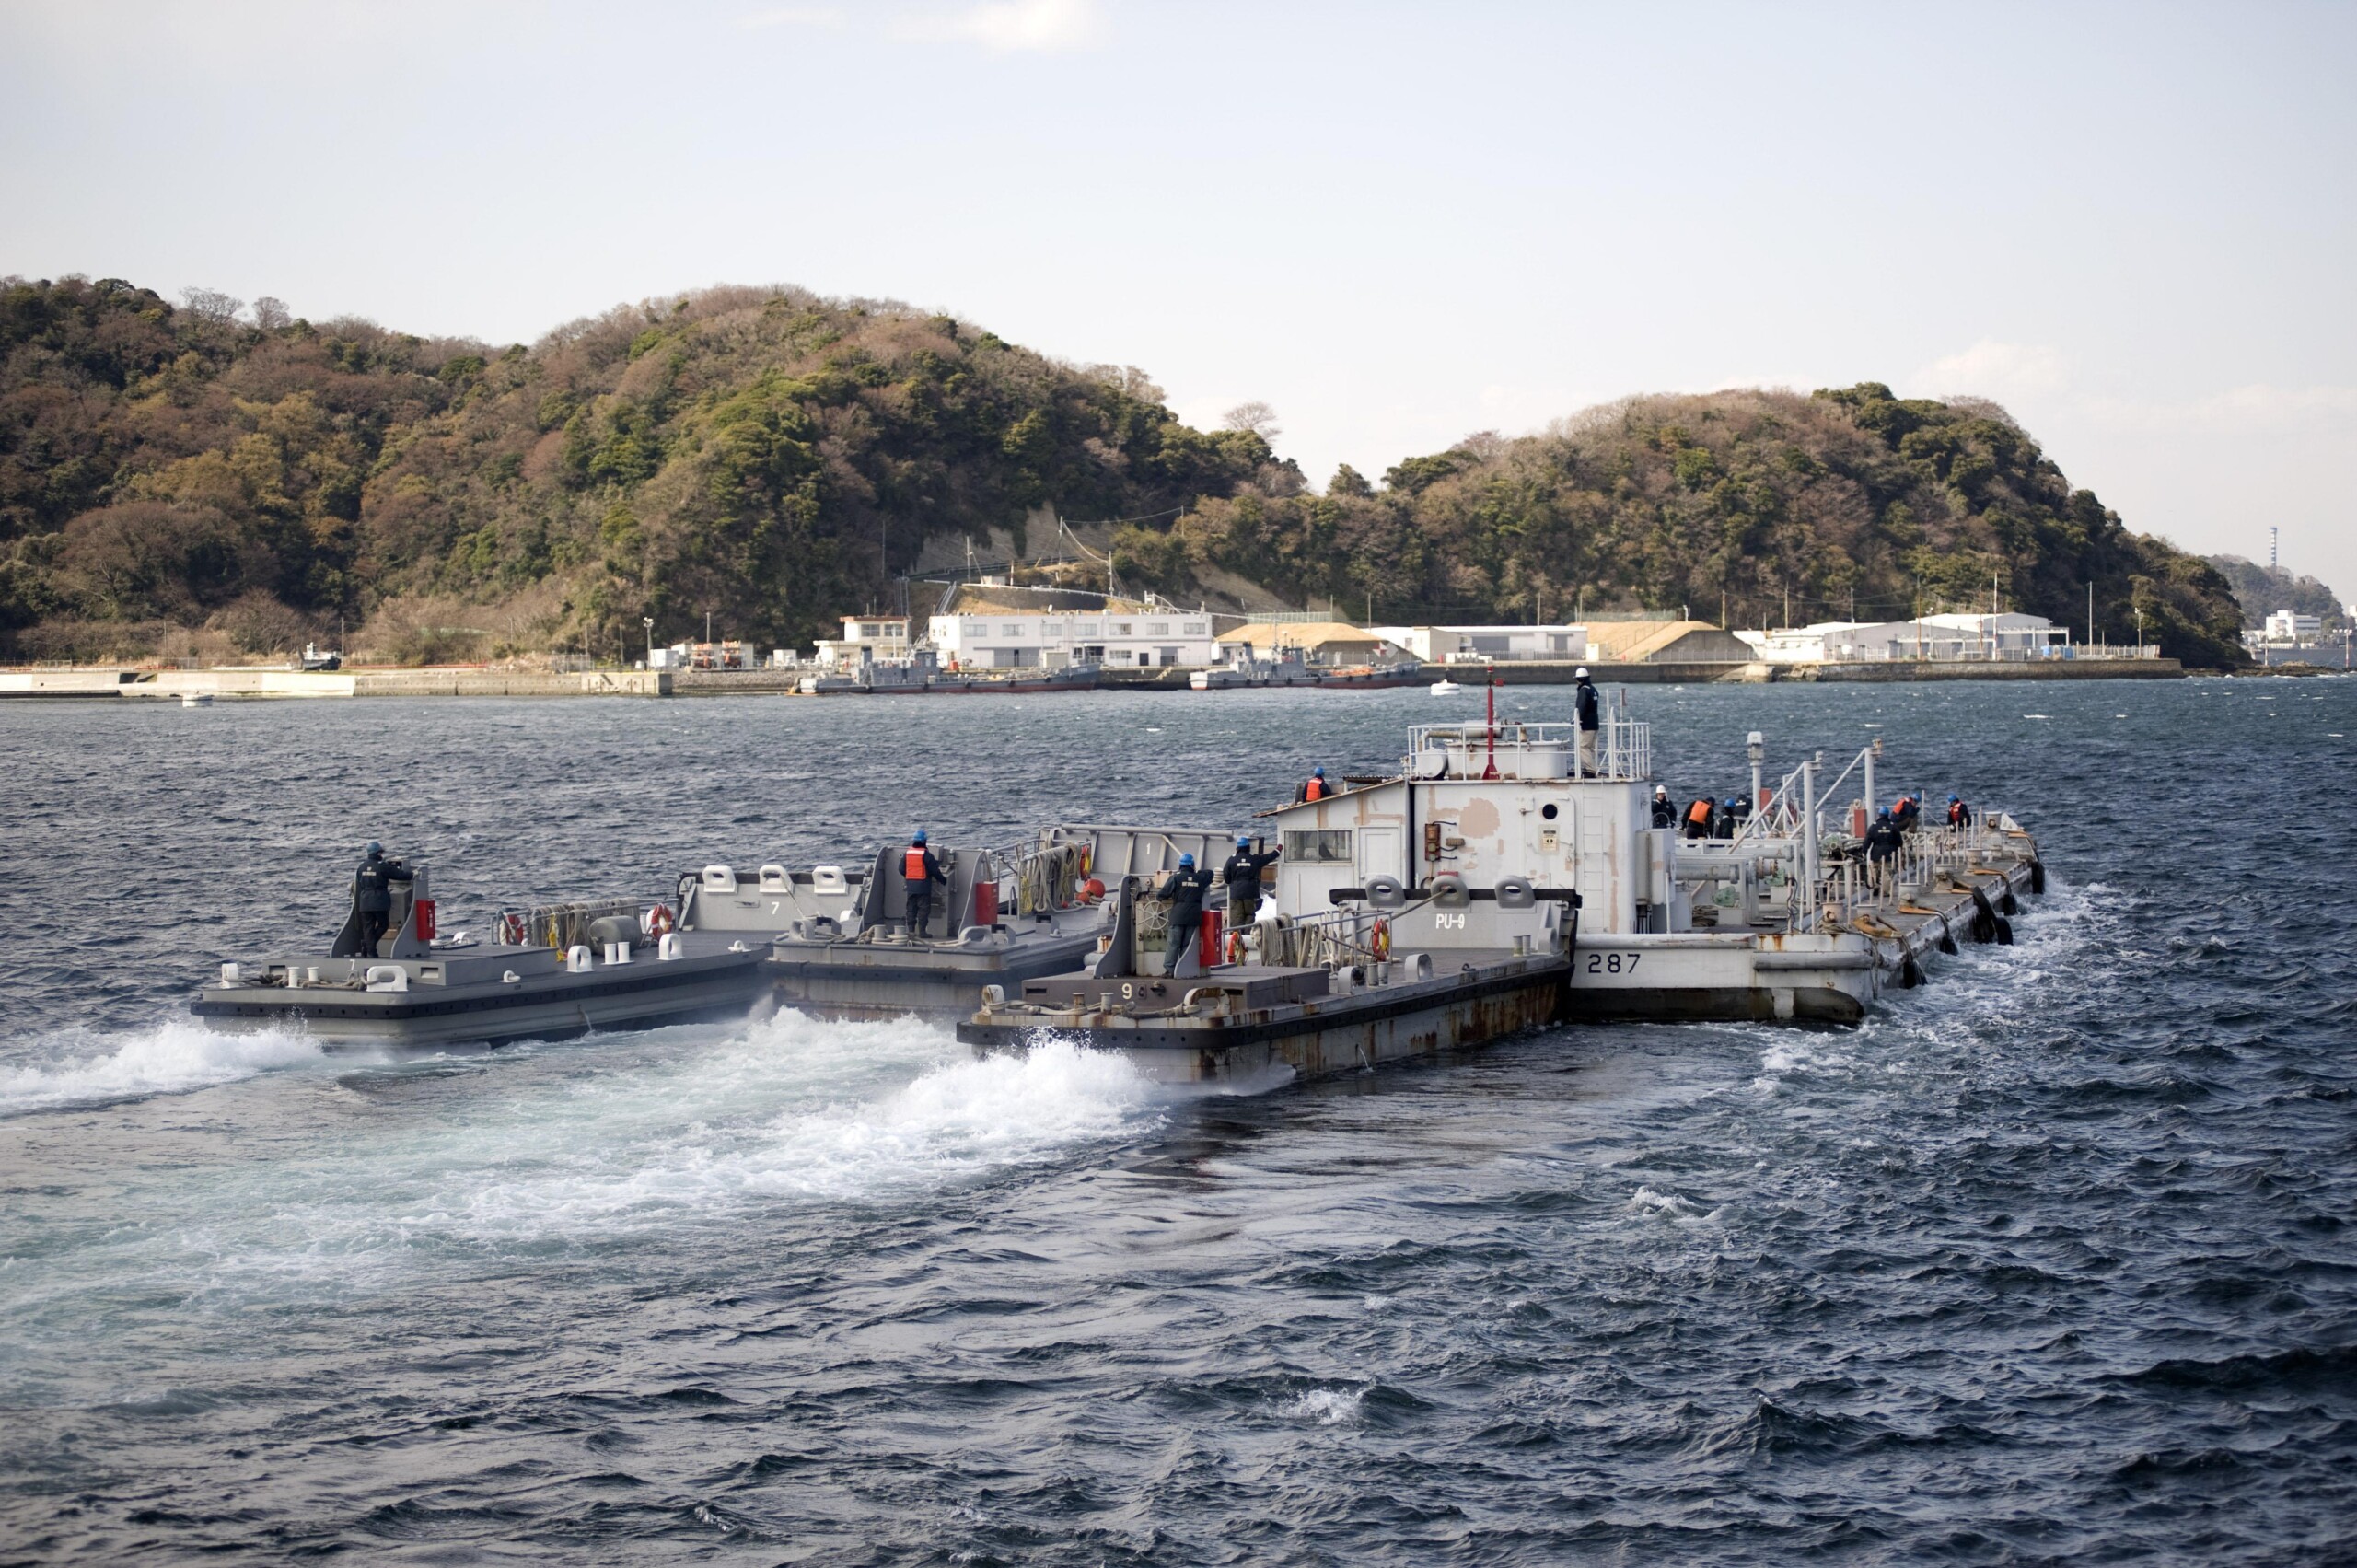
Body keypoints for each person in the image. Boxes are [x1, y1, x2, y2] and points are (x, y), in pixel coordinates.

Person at [353, 841, 412, 956]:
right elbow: (400, 875)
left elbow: (359, 882)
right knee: (383, 925)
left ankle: (370, 950)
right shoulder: (382, 866)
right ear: (379, 852)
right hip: (379, 901)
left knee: (368, 928)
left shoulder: (361, 866)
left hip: (364, 901)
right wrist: (412, 874)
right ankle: (369, 947)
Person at [1162, 853, 1214, 976]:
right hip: (1193, 917)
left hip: (1178, 916)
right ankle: (1183, 970)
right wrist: (1197, 873)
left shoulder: (1175, 878)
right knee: (1187, 944)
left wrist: (1160, 897)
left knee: (1173, 944)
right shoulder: (1200, 878)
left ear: (1180, 865)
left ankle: (1169, 971)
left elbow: (1163, 893)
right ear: (1192, 865)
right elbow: (1210, 873)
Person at [1222, 834, 1283, 929]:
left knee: (1236, 918)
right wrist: (1278, 850)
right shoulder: (1255, 858)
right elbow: (1268, 857)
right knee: (1249, 916)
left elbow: (1226, 874)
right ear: (1248, 847)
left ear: (1237, 848)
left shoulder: (1232, 859)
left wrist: (1231, 882)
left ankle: (1236, 940)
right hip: (1250, 893)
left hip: (1236, 893)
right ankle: (1248, 939)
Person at [901, 829, 948, 937]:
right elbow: (935, 871)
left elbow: (901, 869)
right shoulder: (926, 855)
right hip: (923, 887)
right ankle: (922, 932)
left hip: (911, 887)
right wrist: (943, 880)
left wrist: (909, 876)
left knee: (911, 909)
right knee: (923, 909)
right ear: (924, 841)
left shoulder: (907, 854)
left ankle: (911, 931)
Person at [1864, 807, 1904, 896]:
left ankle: (1874, 886)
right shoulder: (1893, 826)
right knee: (1886, 872)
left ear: (1879, 815)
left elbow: (1867, 840)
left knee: (1873, 870)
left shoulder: (1873, 826)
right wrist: (1899, 850)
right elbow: (1899, 841)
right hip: (1889, 854)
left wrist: (1864, 851)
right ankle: (1885, 892)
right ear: (1888, 815)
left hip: (1876, 853)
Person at [1573, 667, 1600, 773]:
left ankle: (1591, 770)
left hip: (1587, 725)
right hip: (1594, 724)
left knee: (1583, 747)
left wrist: (1578, 719)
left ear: (1579, 679)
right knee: (1590, 748)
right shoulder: (1593, 689)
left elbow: (1582, 706)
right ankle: (1591, 768)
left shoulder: (1584, 690)